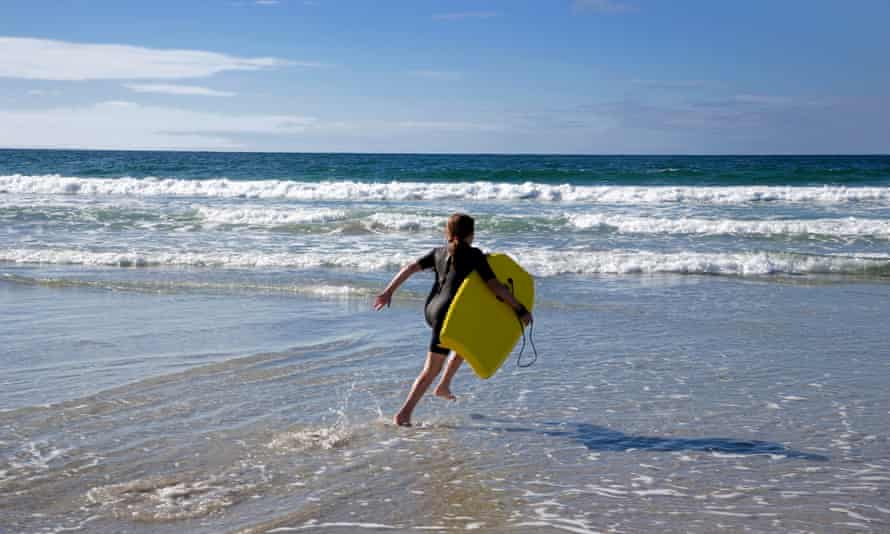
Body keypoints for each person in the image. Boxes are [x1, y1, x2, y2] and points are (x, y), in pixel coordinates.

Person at [374, 213, 532, 427]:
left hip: (432, 310)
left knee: (468, 339)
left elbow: (409, 268)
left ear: (447, 232)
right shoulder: (474, 255)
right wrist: (519, 308)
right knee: (431, 369)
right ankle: (404, 414)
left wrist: (387, 292)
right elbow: (494, 286)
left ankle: (444, 385)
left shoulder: (438, 252)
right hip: (449, 316)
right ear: (471, 234)